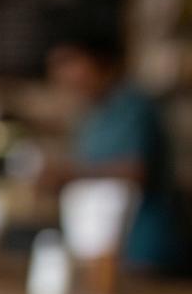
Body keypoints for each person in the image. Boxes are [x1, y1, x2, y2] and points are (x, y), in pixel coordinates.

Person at [45, 22, 181, 273]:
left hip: (141, 245)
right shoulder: (92, 115)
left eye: (69, 62)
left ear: (99, 61)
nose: (62, 74)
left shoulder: (134, 107)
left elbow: (136, 170)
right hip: (99, 247)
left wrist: (70, 174)